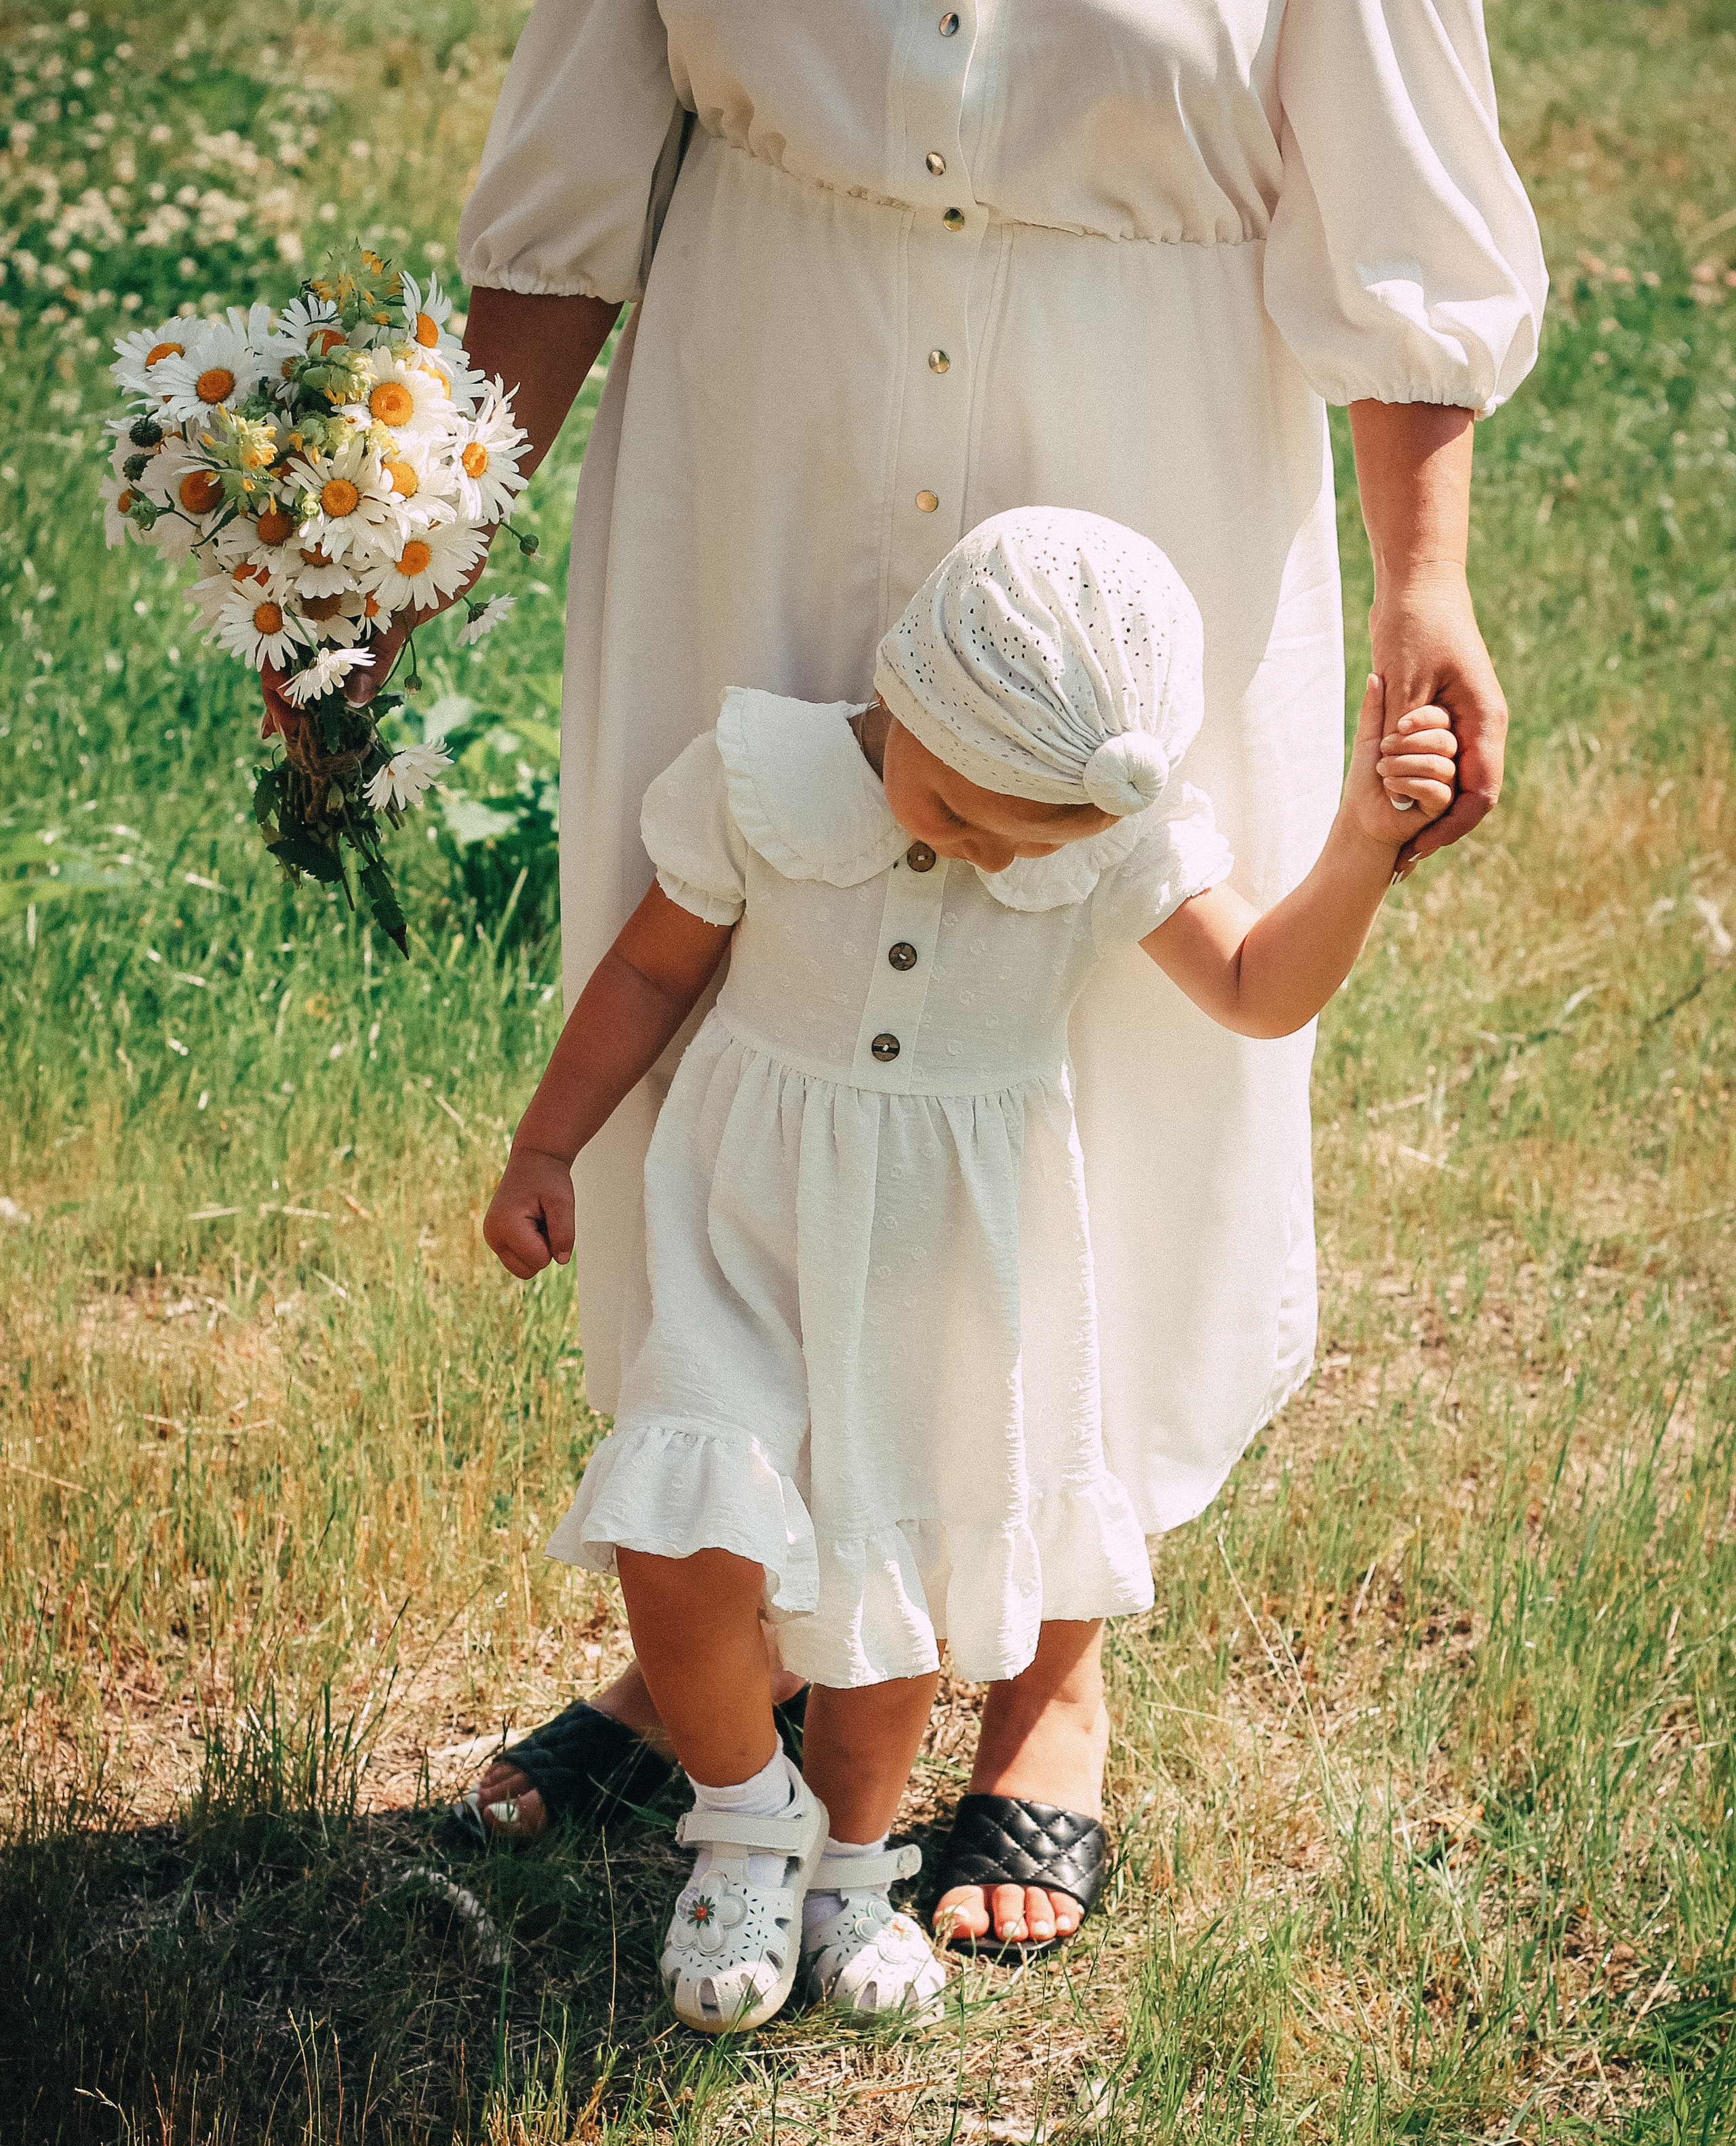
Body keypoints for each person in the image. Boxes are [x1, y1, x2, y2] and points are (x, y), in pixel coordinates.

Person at [292, 0, 1545, 1950]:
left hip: (1138, 464)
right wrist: (390, 555)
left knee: (1112, 1029)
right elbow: (573, 176)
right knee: (736, 990)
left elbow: (1398, 211)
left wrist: (1426, 579)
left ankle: (1049, 1662)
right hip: (770, 433)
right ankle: (745, 1628)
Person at [479, 509, 1461, 2031]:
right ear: (903, 691)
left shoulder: (1108, 833)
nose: (984, 849)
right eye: (956, 803)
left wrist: (1359, 847)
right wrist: (548, 1147)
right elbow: (651, 968)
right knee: (684, 1521)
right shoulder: (764, 775)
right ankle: (743, 1817)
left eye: (1030, 841)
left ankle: (849, 1868)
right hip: (743, 1225)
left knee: (909, 1567)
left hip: (947, 1262)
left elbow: (1260, 991)